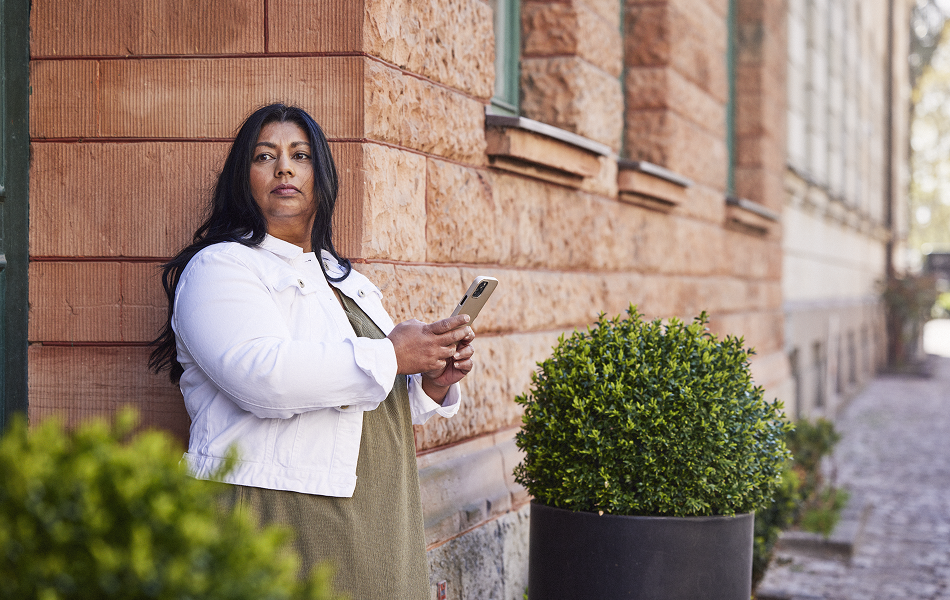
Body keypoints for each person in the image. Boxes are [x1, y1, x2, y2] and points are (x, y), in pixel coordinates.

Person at [149, 103, 475, 599]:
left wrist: (430, 379)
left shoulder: (344, 279)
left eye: (300, 155)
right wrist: (391, 355)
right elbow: (264, 379)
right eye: (265, 156)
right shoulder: (221, 268)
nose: (284, 167)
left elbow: (371, 395)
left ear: (320, 176)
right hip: (282, 513)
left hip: (379, 514)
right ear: (243, 176)